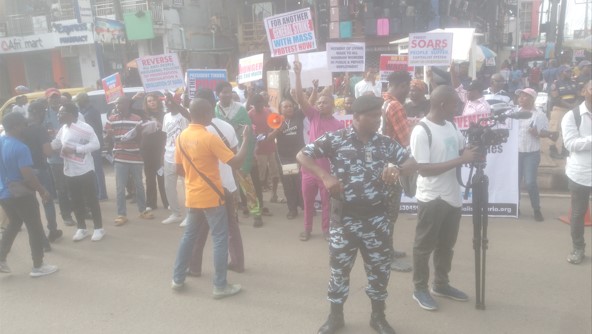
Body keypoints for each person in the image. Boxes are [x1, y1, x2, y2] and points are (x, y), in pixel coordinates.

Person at [297, 95, 412, 334]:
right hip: (345, 220)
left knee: (379, 271)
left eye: (379, 116)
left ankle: (378, 317)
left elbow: (412, 162)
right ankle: (335, 317)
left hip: (377, 219)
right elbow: (302, 155)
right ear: (357, 117)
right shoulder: (337, 139)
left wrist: (396, 168)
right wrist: (325, 176)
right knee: (339, 270)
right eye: (373, 117)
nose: (378, 121)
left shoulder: (384, 143)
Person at [171, 98, 250, 299]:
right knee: (220, 239)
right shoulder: (209, 138)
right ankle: (220, 286)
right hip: (213, 196)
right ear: (206, 115)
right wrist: (247, 140)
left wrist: (195, 178)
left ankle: (177, 278)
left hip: (193, 194)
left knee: (188, 237)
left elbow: (178, 169)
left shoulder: (181, 137)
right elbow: (236, 162)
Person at [409, 85, 480, 311]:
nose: (457, 108)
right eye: (454, 104)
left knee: (446, 246)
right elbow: (424, 169)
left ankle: (441, 284)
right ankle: (420, 288)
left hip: (452, 197)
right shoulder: (422, 130)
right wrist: (461, 160)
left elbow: (461, 150)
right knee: (424, 246)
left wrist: (473, 148)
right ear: (442, 104)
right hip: (432, 198)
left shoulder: (450, 125)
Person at [188, 88, 245, 275]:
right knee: (231, 227)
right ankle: (238, 262)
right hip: (227, 185)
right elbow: (234, 155)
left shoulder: (192, 131)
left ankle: (194, 267)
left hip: (204, 188)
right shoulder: (226, 127)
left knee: (198, 230)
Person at [0, 112, 58, 277]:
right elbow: (27, 174)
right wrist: (42, 190)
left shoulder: (1, 140)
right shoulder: (20, 147)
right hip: (21, 194)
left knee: (14, 223)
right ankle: (38, 265)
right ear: (17, 126)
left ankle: (1, 257)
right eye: (23, 124)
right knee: (34, 227)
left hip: (3, 192)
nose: (25, 127)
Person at [293, 60, 344, 241]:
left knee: (326, 203)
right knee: (308, 203)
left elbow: (340, 150)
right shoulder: (313, 115)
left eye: (325, 102)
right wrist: (298, 75)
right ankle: (307, 229)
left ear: (333, 106)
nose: (321, 104)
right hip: (308, 170)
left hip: (325, 172)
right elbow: (300, 98)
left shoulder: (338, 125)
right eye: (319, 102)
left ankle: (325, 230)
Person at [51, 103, 104, 241]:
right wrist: (45, 144)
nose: (58, 114)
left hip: (85, 170)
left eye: (61, 112)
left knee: (91, 200)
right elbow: (56, 143)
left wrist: (76, 149)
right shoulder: (63, 128)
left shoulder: (85, 128)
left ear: (71, 114)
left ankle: (99, 228)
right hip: (69, 171)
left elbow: (96, 145)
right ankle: (82, 228)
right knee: (76, 201)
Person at [215, 81, 263, 227]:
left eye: (229, 91)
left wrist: (248, 153)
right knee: (229, 186)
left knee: (247, 184)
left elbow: (248, 131)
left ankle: (256, 213)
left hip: (240, 152)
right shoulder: (214, 109)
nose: (227, 94)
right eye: (224, 92)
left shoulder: (240, 109)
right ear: (218, 94)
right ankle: (233, 214)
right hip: (223, 155)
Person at [104, 96, 154, 226]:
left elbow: (141, 139)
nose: (116, 106)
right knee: (120, 187)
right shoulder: (111, 119)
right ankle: (121, 214)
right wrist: (108, 135)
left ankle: (143, 210)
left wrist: (137, 133)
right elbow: (106, 139)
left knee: (139, 185)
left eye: (119, 103)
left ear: (126, 104)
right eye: (116, 104)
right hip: (120, 157)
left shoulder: (137, 119)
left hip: (135, 156)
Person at [382, 71, 413, 273]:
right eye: (407, 88)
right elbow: (406, 139)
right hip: (392, 165)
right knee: (389, 213)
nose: (408, 92)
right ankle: (386, 256)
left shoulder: (382, 102)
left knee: (386, 212)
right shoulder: (396, 106)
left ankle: (388, 250)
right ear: (401, 86)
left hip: (381, 162)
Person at [22, 101, 62, 249]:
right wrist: (53, 144)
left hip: (25, 171)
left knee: (33, 206)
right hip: (40, 169)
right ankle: (52, 230)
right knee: (47, 200)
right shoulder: (40, 129)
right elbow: (47, 152)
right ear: (40, 113)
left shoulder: (21, 128)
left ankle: (41, 239)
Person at [561, 80, 591, 265]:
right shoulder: (572, 116)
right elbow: (570, 143)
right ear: (584, 91)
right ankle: (578, 248)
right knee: (579, 214)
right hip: (580, 174)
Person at [515, 88, 556, 222]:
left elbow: (546, 132)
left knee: (530, 182)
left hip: (531, 153)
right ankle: (515, 207)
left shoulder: (539, 114)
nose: (521, 98)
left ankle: (536, 209)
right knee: (515, 182)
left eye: (525, 96)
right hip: (515, 153)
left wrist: (537, 132)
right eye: (520, 96)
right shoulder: (513, 112)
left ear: (532, 99)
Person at [43, 88, 75, 227]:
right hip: (56, 160)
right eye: (52, 98)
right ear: (47, 100)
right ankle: (66, 216)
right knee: (62, 189)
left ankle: (81, 211)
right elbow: (43, 136)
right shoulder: (44, 116)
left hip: (71, 156)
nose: (55, 100)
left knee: (74, 185)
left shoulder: (67, 112)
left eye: (56, 97)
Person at [267, 99, 305, 219]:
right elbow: (269, 138)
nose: (289, 108)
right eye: (285, 107)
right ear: (280, 110)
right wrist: (278, 129)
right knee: (289, 183)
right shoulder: (276, 120)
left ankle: (305, 206)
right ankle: (292, 209)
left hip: (301, 157)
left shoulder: (299, 115)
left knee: (301, 182)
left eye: (290, 106)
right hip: (285, 158)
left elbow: (306, 102)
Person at [161, 93, 190, 225]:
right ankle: (175, 213)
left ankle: (190, 215)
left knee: (187, 186)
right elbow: (165, 135)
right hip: (168, 156)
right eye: (166, 101)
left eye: (170, 101)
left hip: (184, 157)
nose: (167, 103)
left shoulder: (185, 115)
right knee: (169, 186)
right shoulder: (166, 116)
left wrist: (176, 102)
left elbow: (189, 116)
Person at [74, 92, 107, 201]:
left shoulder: (92, 112)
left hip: (94, 144)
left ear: (83, 101)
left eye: (78, 101)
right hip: (89, 144)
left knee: (97, 170)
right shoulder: (84, 112)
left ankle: (102, 194)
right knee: (92, 169)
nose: (77, 104)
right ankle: (97, 192)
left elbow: (94, 130)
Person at [248, 94, 281, 203]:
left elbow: (276, 126)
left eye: (261, 104)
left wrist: (271, 134)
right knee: (260, 176)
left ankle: (274, 195)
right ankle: (260, 198)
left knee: (275, 173)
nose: (259, 107)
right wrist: (265, 136)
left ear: (263, 104)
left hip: (271, 148)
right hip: (258, 151)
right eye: (257, 105)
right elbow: (250, 134)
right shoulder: (250, 114)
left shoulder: (269, 111)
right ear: (253, 105)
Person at [140, 92, 168, 211]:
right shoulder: (143, 115)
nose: (151, 102)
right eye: (149, 101)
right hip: (147, 149)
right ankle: (151, 203)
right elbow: (130, 109)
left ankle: (167, 202)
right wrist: (135, 97)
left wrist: (161, 125)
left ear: (158, 101)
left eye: (153, 100)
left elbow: (168, 129)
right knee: (149, 177)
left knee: (162, 176)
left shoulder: (165, 114)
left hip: (160, 148)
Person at [549, 66, 579, 159]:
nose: (570, 73)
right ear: (561, 72)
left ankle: (565, 150)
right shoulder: (556, 84)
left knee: (567, 130)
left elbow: (577, 95)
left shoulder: (573, 83)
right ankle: (552, 149)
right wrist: (569, 105)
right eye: (567, 71)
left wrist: (575, 104)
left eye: (570, 71)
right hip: (559, 109)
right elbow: (555, 97)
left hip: (571, 110)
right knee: (554, 129)